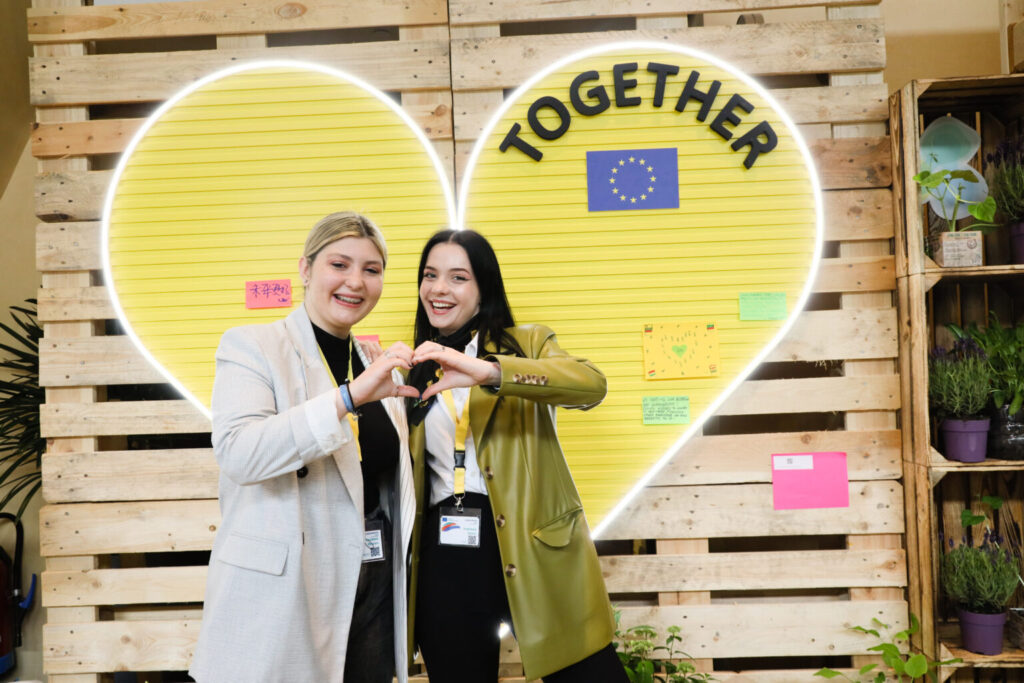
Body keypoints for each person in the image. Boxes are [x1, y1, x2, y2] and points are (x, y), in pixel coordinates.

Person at [189, 212, 420, 683]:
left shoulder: (374, 361)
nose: (356, 281)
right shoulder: (253, 345)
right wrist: (347, 398)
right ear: (306, 269)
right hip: (288, 585)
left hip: (372, 584)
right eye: (340, 264)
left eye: (372, 269)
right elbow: (240, 453)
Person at [406, 229, 629, 683]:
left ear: (484, 288)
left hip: (534, 545)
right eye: (430, 275)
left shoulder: (526, 344)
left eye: (458, 277)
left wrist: (490, 372)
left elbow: (591, 386)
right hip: (446, 555)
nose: (439, 289)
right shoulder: (414, 366)